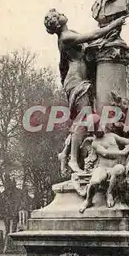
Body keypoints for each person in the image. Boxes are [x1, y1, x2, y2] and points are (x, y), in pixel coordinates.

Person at [44, 9, 123, 173]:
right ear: (57, 23)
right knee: (84, 119)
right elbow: (94, 35)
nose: (62, 13)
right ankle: (72, 160)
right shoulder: (66, 37)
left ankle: (66, 153)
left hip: (79, 80)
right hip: (77, 81)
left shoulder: (68, 34)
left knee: (88, 120)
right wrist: (115, 24)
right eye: (58, 15)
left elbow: (64, 63)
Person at [79, 121, 129, 213]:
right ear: (93, 131)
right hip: (102, 168)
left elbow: (128, 141)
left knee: (119, 169)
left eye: (101, 126)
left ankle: (109, 192)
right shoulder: (95, 143)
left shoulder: (111, 136)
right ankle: (88, 200)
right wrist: (122, 152)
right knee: (95, 181)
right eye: (97, 128)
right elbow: (105, 152)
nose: (101, 129)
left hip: (115, 167)